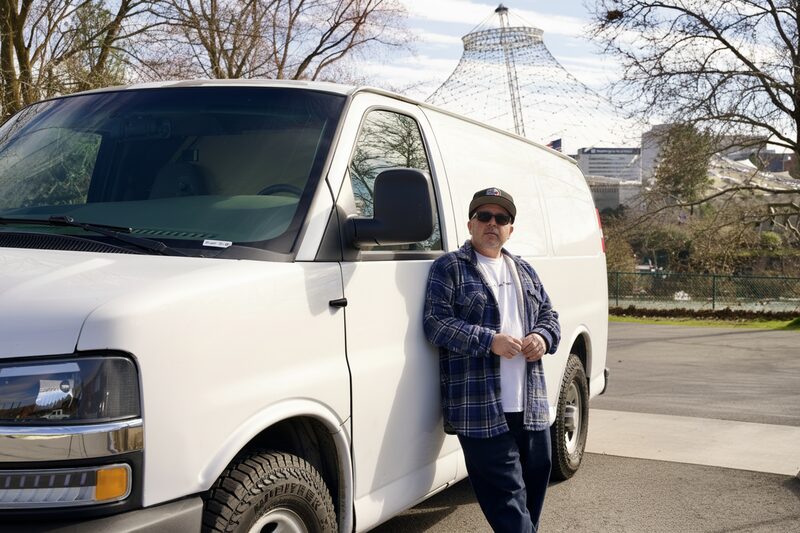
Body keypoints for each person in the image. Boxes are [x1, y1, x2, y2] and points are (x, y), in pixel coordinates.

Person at [423, 187, 561, 533]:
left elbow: (550, 317)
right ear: (470, 223)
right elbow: (436, 324)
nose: (492, 223)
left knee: (531, 492)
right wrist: (490, 341)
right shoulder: (450, 268)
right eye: (484, 216)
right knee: (508, 503)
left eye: (502, 218)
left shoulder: (524, 269)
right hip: (480, 409)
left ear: (510, 229)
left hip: (530, 407)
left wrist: (542, 338)